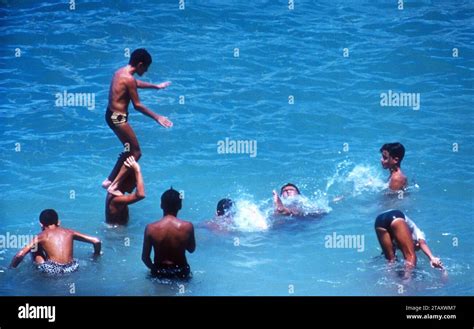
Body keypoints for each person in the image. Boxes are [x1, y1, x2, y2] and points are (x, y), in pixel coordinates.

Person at [103, 48, 173, 195]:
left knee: (128, 149)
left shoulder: (120, 72)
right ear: (140, 64)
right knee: (136, 152)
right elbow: (137, 105)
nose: (146, 71)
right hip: (118, 118)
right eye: (146, 68)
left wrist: (156, 86)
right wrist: (157, 117)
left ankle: (109, 180)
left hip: (110, 115)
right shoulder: (129, 79)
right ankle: (114, 185)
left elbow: (134, 83)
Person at [10, 209, 101, 275]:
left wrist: (10, 269)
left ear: (41, 224)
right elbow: (96, 241)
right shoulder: (69, 232)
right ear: (58, 222)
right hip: (72, 268)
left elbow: (20, 255)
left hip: (52, 271)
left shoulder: (41, 236)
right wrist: (96, 256)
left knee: (35, 248)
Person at [142, 188, 196, 280]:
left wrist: (155, 270)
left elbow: (145, 257)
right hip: (181, 272)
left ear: (161, 205)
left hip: (159, 273)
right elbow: (191, 249)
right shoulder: (187, 226)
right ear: (180, 206)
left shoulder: (150, 228)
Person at [374, 209, 444, 278]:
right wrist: (432, 257)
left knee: (391, 260)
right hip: (396, 216)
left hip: (379, 220)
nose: (416, 248)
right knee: (411, 256)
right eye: (417, 247)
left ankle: (390, 279)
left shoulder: (401, 239)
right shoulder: (418, 234)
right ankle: (407, 281)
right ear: (416, 242)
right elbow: (423, 243)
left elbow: (387, 251)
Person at [105, 156, 145, 225]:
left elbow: (115, 176)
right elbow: (140, 195)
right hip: (117, 234)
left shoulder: (112, 190)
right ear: (126, 181)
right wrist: (137, 170)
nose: (136, 185)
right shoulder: (116, 199)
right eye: (135, 181)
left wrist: (122, 158)